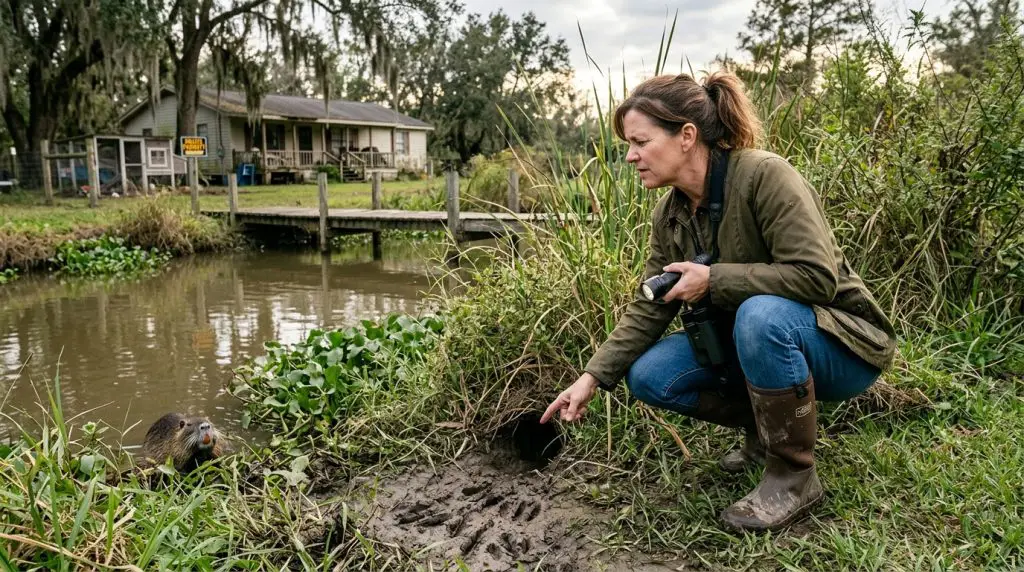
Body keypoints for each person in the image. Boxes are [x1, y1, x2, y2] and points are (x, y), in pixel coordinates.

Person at [539, 71, 897, 532]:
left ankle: (793, 476)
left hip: (843, 345)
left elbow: (817, 278)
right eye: (628, 144)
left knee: (759, 315)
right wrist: (590, 378)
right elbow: (651, 302)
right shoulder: (670, 214)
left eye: (640, 142)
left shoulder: (765, 175)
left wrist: (713, 280)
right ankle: (766, 436)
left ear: (686, 136)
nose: (630, 156)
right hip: (762, 339)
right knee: (650, 376)